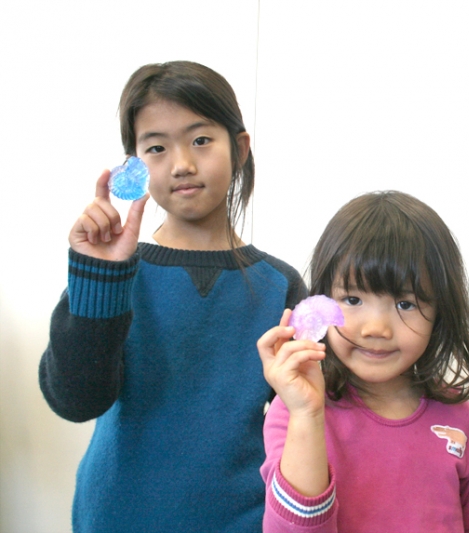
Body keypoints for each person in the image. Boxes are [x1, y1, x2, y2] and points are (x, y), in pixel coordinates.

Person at [39, 61, 306, 532]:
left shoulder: (279, 286)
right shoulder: (115, 270)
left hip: (243, 519)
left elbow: (308, 419)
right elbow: (75, 400)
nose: (182, 163)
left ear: (239, 148)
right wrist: (99, 274)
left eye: (201, 139)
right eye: (157, 147)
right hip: (115, 516)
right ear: (134, 168)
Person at [257, 191, 469, 532]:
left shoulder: (465, 424)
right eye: (352, 299)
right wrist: (307, 415)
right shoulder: (296, 411)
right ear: (321, 304)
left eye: (405, 304)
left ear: (440, 313)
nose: (376, 329)